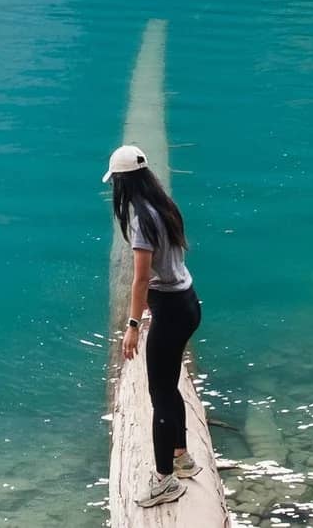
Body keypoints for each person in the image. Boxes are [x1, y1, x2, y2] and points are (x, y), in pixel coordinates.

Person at [105, 142, 202, 509]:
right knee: (169, 383)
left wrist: (132, 324)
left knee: (158, 393)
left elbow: (141, 278)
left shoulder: (139, 217)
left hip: (172, 309)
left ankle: (164, 480)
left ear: (123, 182)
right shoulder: (164, 206)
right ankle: (182, 456)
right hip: (188, 302)